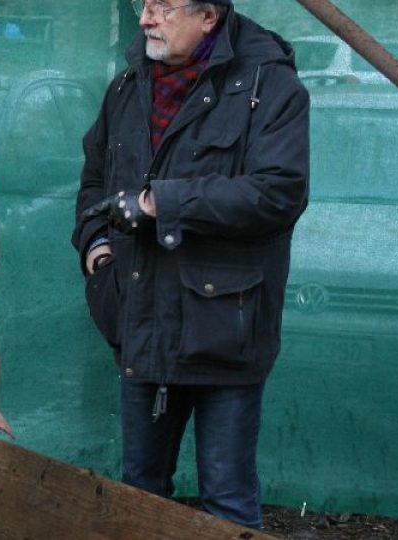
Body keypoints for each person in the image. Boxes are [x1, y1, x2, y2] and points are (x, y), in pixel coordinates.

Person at [71, 0, 309, 529]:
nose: (145, 18)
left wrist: (163, 203)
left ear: (210, 17)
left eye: (163, 6)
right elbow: (93, 181)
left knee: (226, 499)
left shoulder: (268, 88)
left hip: (225, 329)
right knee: (140, 495)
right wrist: (96, 251)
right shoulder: (129, 84)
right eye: (144, 4)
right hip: (141, 317)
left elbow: (278, 194)